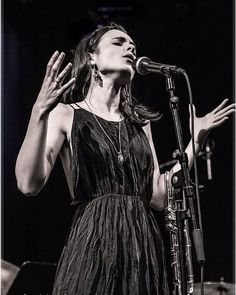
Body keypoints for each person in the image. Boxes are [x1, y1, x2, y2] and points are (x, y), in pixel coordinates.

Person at [15, 23, 235, 295]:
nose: (130, 47)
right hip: (94, 242)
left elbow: (157, 196)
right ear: (92, 57)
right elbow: (28, 183)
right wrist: (39, 112)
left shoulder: (140, 123)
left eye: (132, 44)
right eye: (118, 42)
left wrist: (195, 143)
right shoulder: (65, 113)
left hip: (142, 248)